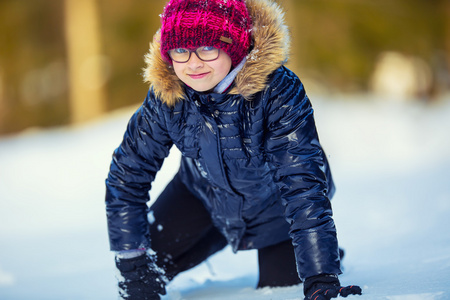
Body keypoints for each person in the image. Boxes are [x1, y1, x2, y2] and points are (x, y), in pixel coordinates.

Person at [105, 0, 362, 299]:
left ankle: (323, 256)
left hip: (276, 207)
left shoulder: (277, 91)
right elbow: (127, 175)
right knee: (146, 262)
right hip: (203, 194)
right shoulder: (168, 95)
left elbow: (301, 184)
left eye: (208, 48)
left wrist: (321, 274)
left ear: (235, 46)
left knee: (281, 289)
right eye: (180, 50)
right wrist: (132, 262)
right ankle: (217, 232)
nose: (193, 63)